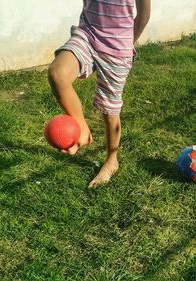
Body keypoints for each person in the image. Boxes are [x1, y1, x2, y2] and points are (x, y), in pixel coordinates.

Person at [48, 0, 151, 188]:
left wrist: (126, 44)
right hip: (87, 35)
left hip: (118, 47)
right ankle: (82, 129)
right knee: (57, 74)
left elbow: (144, 15)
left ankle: (112, 161)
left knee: (110, 111)